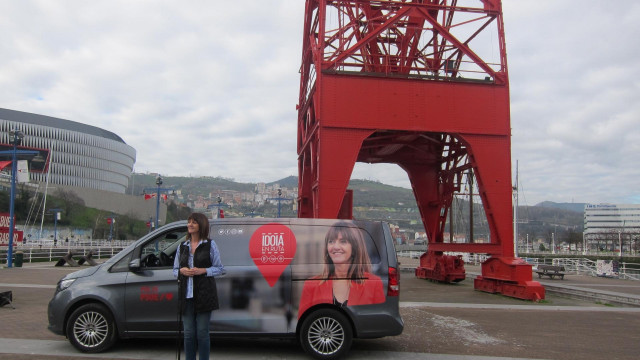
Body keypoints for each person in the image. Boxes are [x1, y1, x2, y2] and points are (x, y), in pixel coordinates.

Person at [298, 221, 385, 317]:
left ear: (355, 247)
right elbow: (304, 325)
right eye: (331, 241)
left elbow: (377, 322)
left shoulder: (374, 283)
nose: (335, 247)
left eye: (343, 241)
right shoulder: (311, 285)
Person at [173, 213, 225, 360]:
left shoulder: (210, 244)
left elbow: (220, 268)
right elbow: (174, 270)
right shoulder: (182, 247)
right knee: (189, 333)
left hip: (204, 294)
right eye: (189, 222)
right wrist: (181, 271)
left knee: (202, 333)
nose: (190, 224)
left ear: (201, 225)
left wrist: (203, 270)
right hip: (186, 296)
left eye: (194, 222)